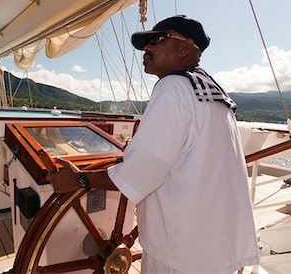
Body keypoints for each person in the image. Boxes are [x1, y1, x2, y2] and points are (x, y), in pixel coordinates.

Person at [47, 15, 259, 273]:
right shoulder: (214, 93)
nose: (147, 49)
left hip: (181, 250)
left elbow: (142, 169)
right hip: (217, 244)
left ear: (184, 47)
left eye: (157, 40)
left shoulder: (173, 87)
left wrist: (81, 179)